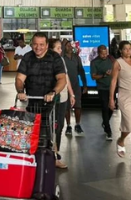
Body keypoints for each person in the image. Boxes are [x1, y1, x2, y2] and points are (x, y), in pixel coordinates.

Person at [15, 33, 67, 148]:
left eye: (41, 44)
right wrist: (20, 91)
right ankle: (33, 154)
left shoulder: (55, 58)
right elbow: (19, 78)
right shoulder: (27, 57)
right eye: (35, 44)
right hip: (33, 103)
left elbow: (62, 79)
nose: (38, 47)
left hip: (51, 103)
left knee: (52, 131)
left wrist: (53, 92)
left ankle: (53, 153)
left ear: (47, 45)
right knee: (32, 132)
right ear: (31, 44)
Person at [48, 38, 76, 170]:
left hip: (63, 97)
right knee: (50, 127)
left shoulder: (61, 60)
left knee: (59, 126)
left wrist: (71, 93)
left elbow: (66, 77)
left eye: (61, 48)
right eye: (58, 48)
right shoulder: (46, 62)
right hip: (52, 98)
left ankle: (56, 154)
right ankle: (50, 154)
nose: (60, 50)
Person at [62, 40, 86, 136]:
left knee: (78, 106)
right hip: (65, 86)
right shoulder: (62, 58)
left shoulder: (76, 58)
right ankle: (68, 125)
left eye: (70, 45)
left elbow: (81, 71)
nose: (69, 47)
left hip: (76, 85)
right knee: (66, 107)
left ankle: (78, 124)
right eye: (67, 46)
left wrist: (85, 85)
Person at [90, 45, 114, 140]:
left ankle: (105, 121)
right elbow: (93, 76)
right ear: (98, 53)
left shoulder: (111, 59)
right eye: (102, 54)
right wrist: (104, 75)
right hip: (102, 88)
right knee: (105, 107)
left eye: (105, 53)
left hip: (112, 87)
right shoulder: (94, 62)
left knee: (112, 107)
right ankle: (108, 129)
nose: (104, 55)